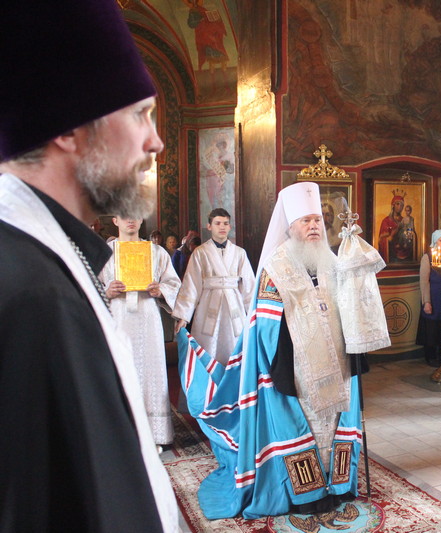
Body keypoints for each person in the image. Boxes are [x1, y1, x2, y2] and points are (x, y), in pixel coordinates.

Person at [0, 1, 179, 530]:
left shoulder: (48, 254)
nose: (155, 141)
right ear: (68, 129)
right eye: (139, 113)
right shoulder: (35, 296)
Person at [176, 181, 388, 518]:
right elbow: (267, 322)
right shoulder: (276, 266)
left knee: (334, 426)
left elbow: (352, 306)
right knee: (300, 426)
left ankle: (337, 485)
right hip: (295, 366)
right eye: (306, 221)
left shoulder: (333, 261)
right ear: (290, 227)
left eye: (317, 220)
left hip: (338, 365)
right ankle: (307, 493)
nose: (314, 227)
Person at [100, 217, 181, 446]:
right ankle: (118, 433)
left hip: (147, 317)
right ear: (115, 219)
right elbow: (87, 286)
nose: (130, 220)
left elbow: (174, 284)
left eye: (135, 214)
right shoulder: (103, 252)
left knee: (151, 371)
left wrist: (161, 290)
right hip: (117, 316)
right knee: (118, 371)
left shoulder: (156, 252)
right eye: (124, 214)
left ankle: (156, 434)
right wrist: (106, 291)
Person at [173, 208, 255, 364]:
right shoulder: (200, 252)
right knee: (208, 348)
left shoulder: (239, 253)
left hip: (235, 307)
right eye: (217, 223)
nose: (222, 227)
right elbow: (192, 284)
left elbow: (249, 285)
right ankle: (209, 386)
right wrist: (184, 316)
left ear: (230, 227)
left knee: (236, 346)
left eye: (226, 223)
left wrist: (252, 312)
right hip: (207, 306)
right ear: (209, 226)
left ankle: (235, 386)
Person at [417, 229, 441, 367]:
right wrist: (427, 301)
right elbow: (424, 281)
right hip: (432, 296)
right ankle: (430, 355)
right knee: (431, 327)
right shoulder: (428, 257)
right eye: (440, 241)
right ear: (435, 242)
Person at [378, 190, 413, 263]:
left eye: (402, 205)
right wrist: (391, 235)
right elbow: (382, 240)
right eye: (397, 204)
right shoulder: (386, 221)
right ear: (393, 205)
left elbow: (410, 233)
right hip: (391, 254)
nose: (400, 207)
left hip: (405, 251)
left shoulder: (405, 220)